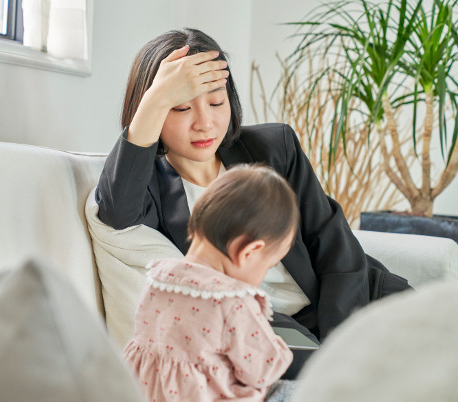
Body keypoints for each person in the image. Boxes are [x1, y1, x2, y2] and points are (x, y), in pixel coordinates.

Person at [95, 28, 411, 377]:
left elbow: (332, 241)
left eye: (216, 102)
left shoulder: (274, 147)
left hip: (347, 302)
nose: (205, 123)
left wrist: (342, 344)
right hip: (274, 334)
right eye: (181, 106)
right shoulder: (148, 185)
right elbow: (115, 209)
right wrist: (155, 99)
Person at [124, 164, 299, 402]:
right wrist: (276, 346)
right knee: (295, 392)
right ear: (249, 252)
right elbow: (262, 371)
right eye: (268, 265)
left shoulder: (157, 279)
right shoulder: (233, 302)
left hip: (146, 400)